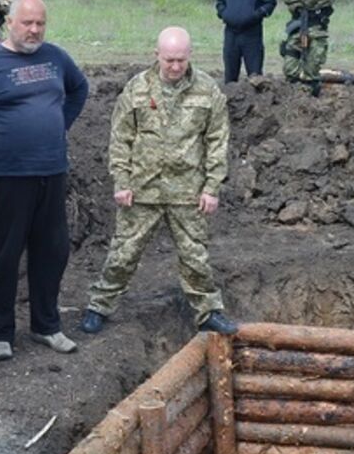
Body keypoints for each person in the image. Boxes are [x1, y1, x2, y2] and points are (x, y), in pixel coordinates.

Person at [81, 28, 238, 337]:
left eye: (181, 60)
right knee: (124, 252)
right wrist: (121, 181)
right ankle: (99, 305)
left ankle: (207, 311)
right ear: (157, 55)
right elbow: (121, 137)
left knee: (195, 256)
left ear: (190, 55)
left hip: (188, 191)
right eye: (169, 60)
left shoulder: (207, 91)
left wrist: (211, 187)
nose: (175, 67)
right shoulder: (137, 89)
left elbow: (218, 141)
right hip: (142, 188)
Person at [0, 0, 89, 362]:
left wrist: (58, 125)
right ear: (10, 23)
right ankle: (0, 332)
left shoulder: (56, 58)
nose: (35, 30)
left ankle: (46, 326)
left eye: (40, 24)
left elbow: (78, 89)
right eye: (28, 23)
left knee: (52, 253)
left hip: (51, 173)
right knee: (3, 257)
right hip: (6, 178)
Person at [281, 0, 337, 97]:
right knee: (290, 67)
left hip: (316, 28)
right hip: (298, 26)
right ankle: (295, 96)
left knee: (312, 69)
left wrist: (311, 0)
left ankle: (311, 100)